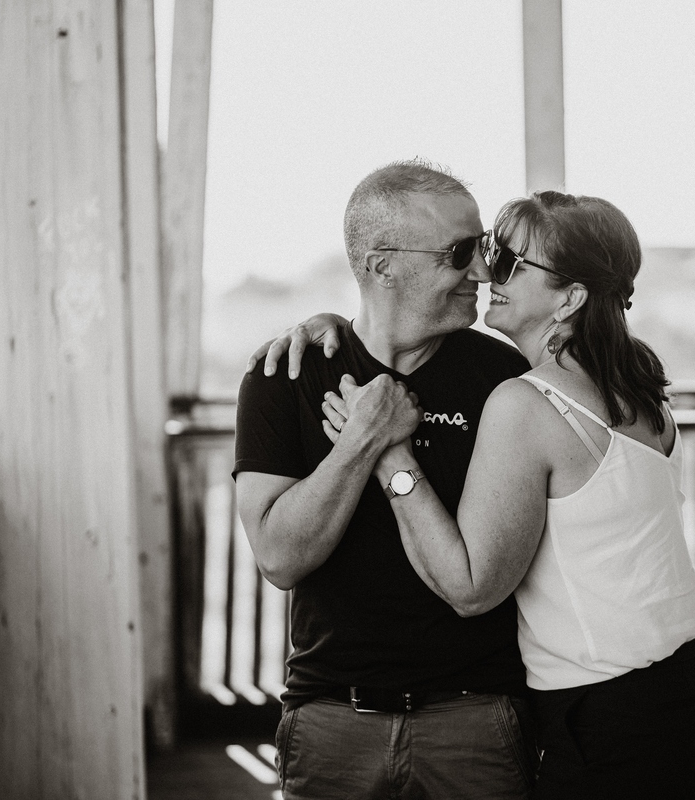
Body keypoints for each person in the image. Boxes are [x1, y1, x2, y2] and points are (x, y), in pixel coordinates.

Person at [259, 191, 695, 799]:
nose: (489, 272)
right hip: (688, 695)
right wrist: (336, 323)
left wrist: (384, 451)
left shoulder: (527, 402)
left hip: (611, 715)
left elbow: (470, 586)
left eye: (512, 263)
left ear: (569, 298)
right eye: (487, 251)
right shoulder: (638, 386)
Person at [234, 159, 538, 800]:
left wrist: (388, 450)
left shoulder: (502, 378)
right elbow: (280, 558)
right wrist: (365, 441)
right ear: (382, 266)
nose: (482, 272)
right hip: (331, 716)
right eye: (461, 253)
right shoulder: (285, 375)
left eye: (482, 249)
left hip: (475, 714)